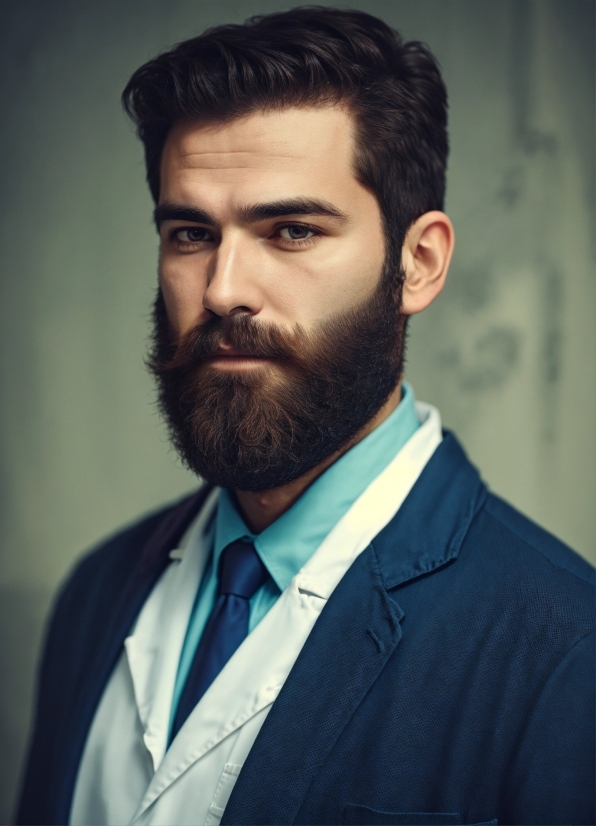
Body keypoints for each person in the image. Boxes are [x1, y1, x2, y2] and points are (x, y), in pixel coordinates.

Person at [16, 8, 594, 826]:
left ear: (417, 263)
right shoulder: (97, 592)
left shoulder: (566, 651)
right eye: (189, 233)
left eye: (291, 230)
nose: (221, 290)